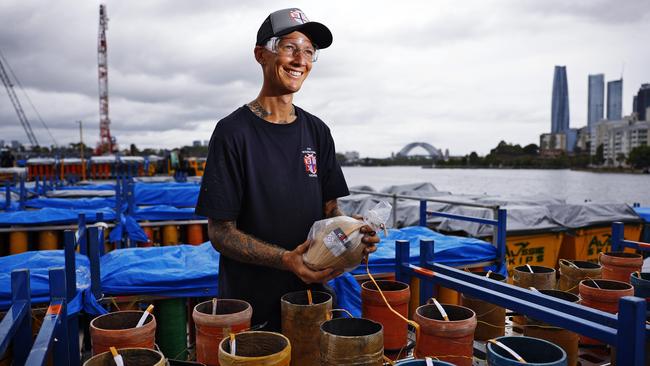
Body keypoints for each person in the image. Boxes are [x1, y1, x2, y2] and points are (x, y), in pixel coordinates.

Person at [195, 8, 379, 331]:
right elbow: (220, 232)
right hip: (249, 312)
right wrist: (287, 260)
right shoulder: (232, 133)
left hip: (312, 307)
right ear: (260, 54)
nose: (300, 60)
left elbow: (331, 210)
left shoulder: (318, 132)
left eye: (309, 51)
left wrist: (354, 233)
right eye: (289, 47)